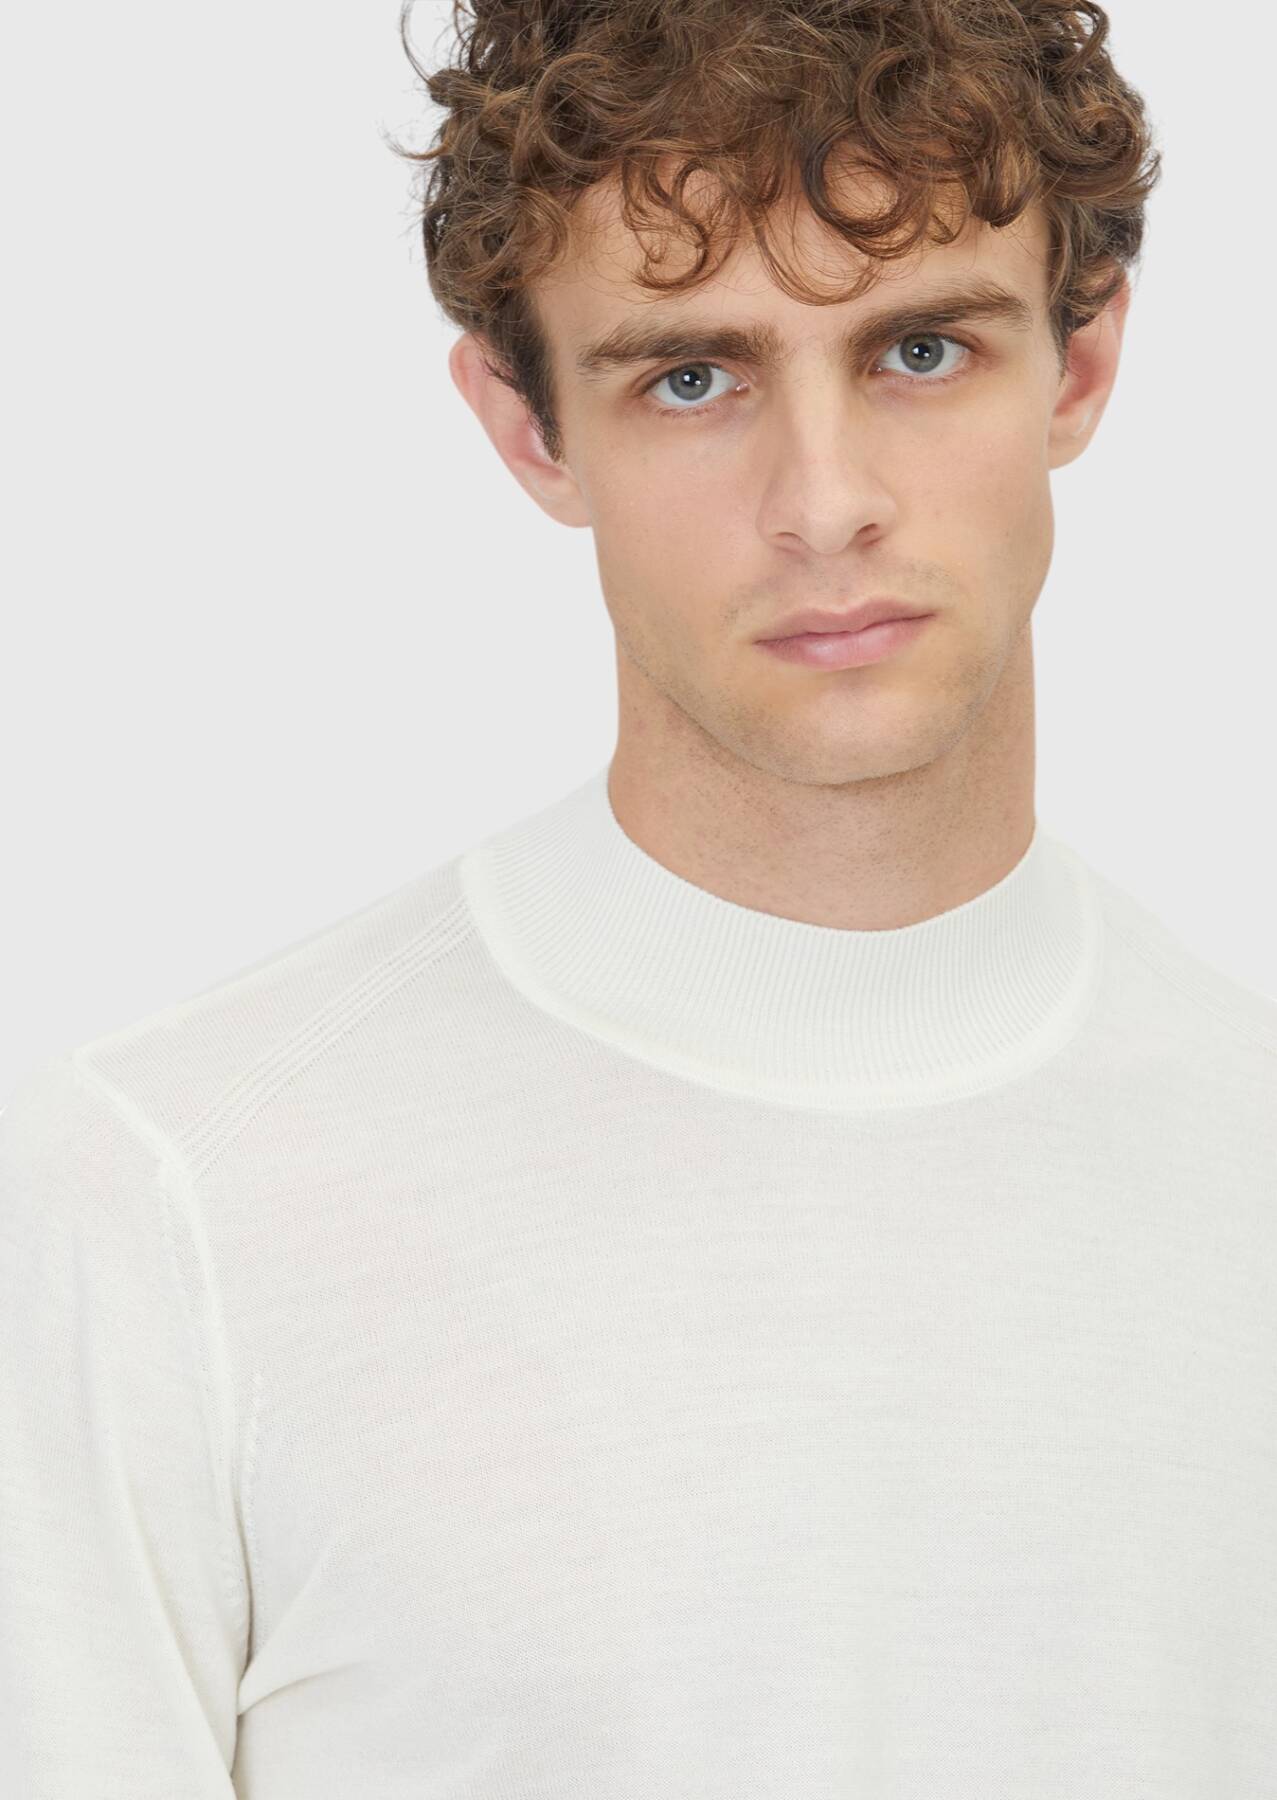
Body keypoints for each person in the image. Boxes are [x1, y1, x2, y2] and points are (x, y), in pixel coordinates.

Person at [3, 1, 1275, 1794]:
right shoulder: (166, 1205)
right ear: (528, 429)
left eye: (919, 350)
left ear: (1076, 369)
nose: (823, 504)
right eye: (691, 377)